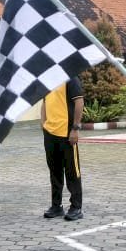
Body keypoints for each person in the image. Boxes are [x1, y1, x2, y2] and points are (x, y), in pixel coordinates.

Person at [41, 77, 85, 221]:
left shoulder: (70, 78)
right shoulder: (47, 78)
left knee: (72, 171)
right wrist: (44, 125)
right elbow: (45, 103)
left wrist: (75, 128)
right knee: (55, 172)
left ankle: (76, 207)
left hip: (67, 133)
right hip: (50, 134)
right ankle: (56, 206)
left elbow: (79, 102)